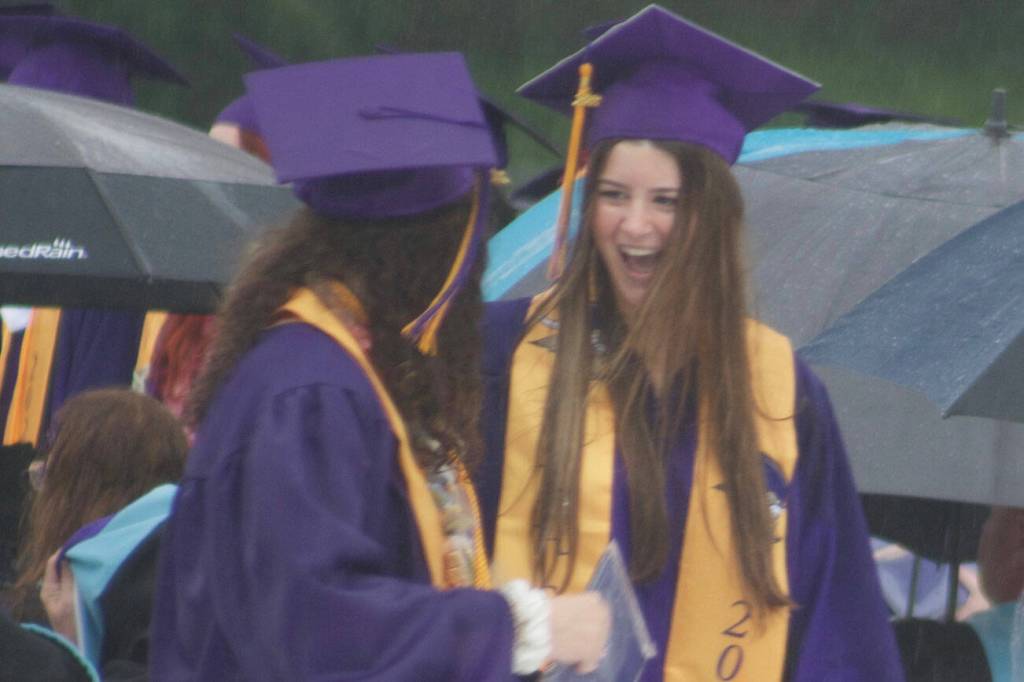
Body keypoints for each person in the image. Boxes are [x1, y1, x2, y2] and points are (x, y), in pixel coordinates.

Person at [477, 6, 904, 681]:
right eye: (613, 195)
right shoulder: (505, 355)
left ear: (708, 216)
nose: (635, 226)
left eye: (667, 201)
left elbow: (836, 622)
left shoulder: (777, 388)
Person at [150, 52, 608, 681]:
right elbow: (315, 625)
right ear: (435, 248)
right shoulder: (309, 391)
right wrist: (522, 627)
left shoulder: (337, 366)